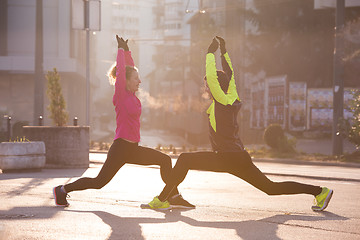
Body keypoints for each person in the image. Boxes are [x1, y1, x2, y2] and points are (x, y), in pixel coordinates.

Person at [142, 36, 333, 212]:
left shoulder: (222, 101)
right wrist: (224, 52)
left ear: (215, 85)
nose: (206, 87)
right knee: (271, 188)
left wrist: (210, 54)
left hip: (226, 156)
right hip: (238, 157)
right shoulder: (232, 97)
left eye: (207, 85)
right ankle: (319, 191)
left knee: (184, 159)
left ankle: (162, 199)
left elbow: (216, 76)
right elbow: (231, 75)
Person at [53, 35, 194, 209]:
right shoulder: (120, 95)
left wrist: (127, 51)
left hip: (133, 149)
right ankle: (62, 190)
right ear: (125, 82)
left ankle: (173, 195)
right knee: (99, 182)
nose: (139, 81)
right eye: (136, 79)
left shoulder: (133, 96)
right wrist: (119, 52)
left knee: (165, 160)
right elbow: (122, 71)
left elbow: (130, 68)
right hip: (120, 149)